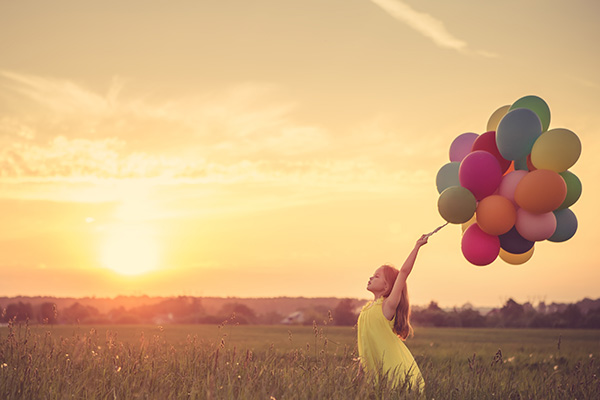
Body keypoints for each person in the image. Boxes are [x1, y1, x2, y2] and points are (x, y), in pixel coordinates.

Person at [357, 233, 429, 392]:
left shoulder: (387, 306)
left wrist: (417, 246)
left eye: (376, 276)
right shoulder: (365, 310)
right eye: (372, 275)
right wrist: (360, 372)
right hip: (374, 375)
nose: (371, 278)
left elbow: (403, 273)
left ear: (387, 286)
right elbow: (365, 344)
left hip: (393, 370)